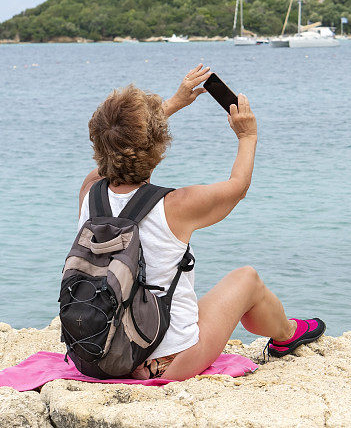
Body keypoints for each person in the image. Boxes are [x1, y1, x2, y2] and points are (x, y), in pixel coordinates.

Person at [78, 64, 325, 380]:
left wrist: (172, 105)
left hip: (93, 354)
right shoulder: (177, 205)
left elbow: (121, 147)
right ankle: (286, 334)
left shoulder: (90, 191)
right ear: (158, 146)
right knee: (246, 279)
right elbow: (238, 187)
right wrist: (248, 135)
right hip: (166, 361)